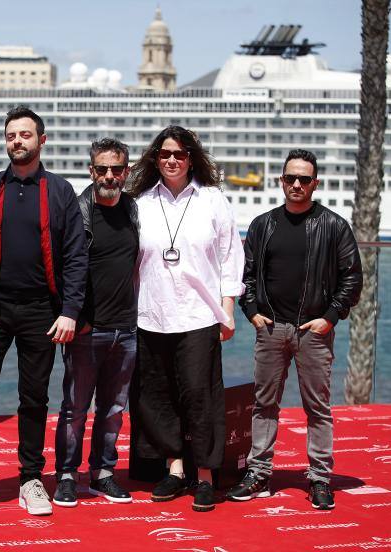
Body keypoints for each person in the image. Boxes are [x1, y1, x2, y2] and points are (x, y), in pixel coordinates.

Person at [0, 106, 87, 516]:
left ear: (41, 140)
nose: (17, 141)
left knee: (34, 398)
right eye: (11, 135)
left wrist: (69, 310)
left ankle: (31, 478)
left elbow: (76, 257)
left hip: (42, 312)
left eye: (25, 135)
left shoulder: (61, 192)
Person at [227, 149, 362, 510]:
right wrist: (252, 311)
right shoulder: (263, 224)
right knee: (263, 404)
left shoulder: (334, 225)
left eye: (304, 179)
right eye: (290, 178)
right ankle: (258, 473)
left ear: (316, 183)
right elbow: (248, 274)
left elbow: (352, 279)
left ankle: (319, 477)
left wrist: (330, 317)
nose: (297, 184)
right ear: (281, 181)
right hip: (271, 328)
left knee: (317, 407)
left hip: (313, 331)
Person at [129, 125, 244, 512]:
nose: (172, 160)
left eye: (179, 154)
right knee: (158, 396)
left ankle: (207, 476)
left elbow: (230, 256)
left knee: (200, 395)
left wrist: (228, 308)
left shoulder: (212, 200)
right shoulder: (141, 202)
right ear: (155, 159)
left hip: (199, 314)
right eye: (164, 154)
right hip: (151, 313)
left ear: (191, 157)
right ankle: (175, 470)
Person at [53, 138, 138, 507]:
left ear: (126, 172)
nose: (109, 176)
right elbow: (58, 270)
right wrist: (77, 317)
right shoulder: (76, 212)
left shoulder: (134, 209)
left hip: (127, 327)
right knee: (74, 409)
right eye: (101, 169)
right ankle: (67, 476)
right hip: (88, 329)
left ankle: (103, 474)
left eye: (116, 169)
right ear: (91, 171)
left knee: (114, 409)